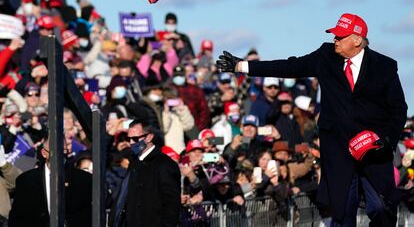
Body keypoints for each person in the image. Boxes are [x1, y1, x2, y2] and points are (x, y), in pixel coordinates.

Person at [217, 13, 408, 226]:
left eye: (340, 36)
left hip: (373, 151)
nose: (334, 40)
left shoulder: (384, 66)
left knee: (382, 209)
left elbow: (399, 109)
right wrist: (242, 66)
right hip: (338, 151)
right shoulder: (326, 56)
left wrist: (386, 140)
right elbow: (290, 67)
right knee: (342, 213)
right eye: (334, 35)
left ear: (357, 39)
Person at [109, 119, 181, 227]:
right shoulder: (133, 161)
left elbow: (172, 207)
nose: (131, 143)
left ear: (149, 137)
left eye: (135, 138)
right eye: (129, 139)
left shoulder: (165, 165)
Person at [8, 136, 92, 227]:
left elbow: (88, 214)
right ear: (44, 153)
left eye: (63, 152)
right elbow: (18, 217)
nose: (59, 157)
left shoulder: (84, 179)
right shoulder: (26, 180)